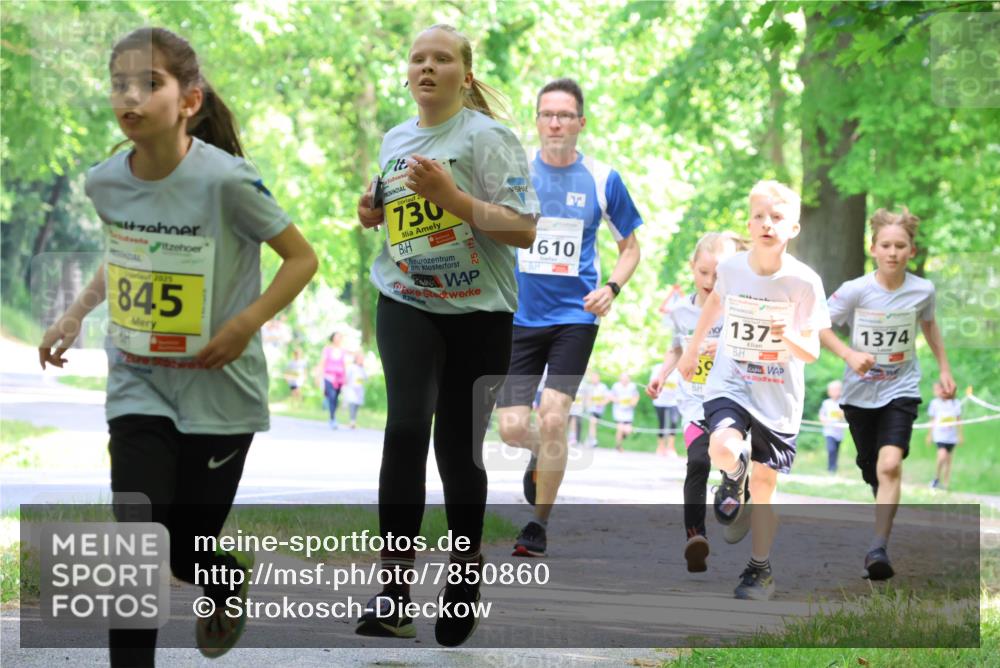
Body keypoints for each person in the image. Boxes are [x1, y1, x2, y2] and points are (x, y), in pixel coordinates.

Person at [37, 27, 317, 666]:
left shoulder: (227, 182)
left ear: (189, 100)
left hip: (220, 396)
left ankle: (225, 579)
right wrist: (74, 315)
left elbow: (302, 259)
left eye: (149, 83)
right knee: (136, 541)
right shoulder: (106, 182)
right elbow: (125, 254)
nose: (129, 97)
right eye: (119, 84)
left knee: (189, 549)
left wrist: (244, 324)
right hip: (138, 383)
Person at [353, 24, 539, 647]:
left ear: (466, 74)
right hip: (405, 297)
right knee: (406, 427)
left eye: (442, 59)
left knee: (457, 449)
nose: (427, 67)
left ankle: (464, 575)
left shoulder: (489, 138)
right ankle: (394, 592)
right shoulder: (395, 138)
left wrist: (452, 198)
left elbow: (522, 230)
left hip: (479, 311)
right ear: (408, 74)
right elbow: (398, 213)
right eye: (418, 59)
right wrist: (373, 211)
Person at [495, 77, 642, 559]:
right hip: (520, 316)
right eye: (547, 114)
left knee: (554, 415)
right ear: (537, 121)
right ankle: (543, 452)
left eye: (564, 115)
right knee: (512, 427)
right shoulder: (516, 174)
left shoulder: (602, 178)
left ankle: (537, 523)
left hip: (574, 318)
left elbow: (630, 248)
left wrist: (611, 288)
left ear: (581, 122)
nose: (555, 122)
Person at [678, 181, 830, 601]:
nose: (767, 224)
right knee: (721, 447)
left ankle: (759, 569)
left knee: (764, 485)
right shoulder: (731, 269)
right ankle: (732, 475)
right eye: (759, 216)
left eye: (777, 217)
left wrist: (788, 337)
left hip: (777, 395)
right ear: (748, 224)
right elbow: (715, 303)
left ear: (793, 228)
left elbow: (813, 351)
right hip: (731, 382)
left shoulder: (804, 282)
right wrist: (692, 349)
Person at [820, 207, 955, 580]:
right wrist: (849, 355)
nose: (893, 252)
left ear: (912, 250)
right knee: (873, 468)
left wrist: (944, 368)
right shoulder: (856, 290)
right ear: (873, 248)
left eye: (900, 246)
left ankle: (877, 548)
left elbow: (930, 326)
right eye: (886, 245)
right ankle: (881, 492)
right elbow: (819, 325)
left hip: (901, 388)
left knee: (890, 464)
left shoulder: (923, 290)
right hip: (859, 394)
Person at [647, 231, 748, 572]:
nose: (709, 281)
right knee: (697, 462)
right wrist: (662, 374)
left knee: (726, 456)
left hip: (730, 400)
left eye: (717, 275)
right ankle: (696, 536)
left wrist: (721, 347)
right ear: (692, 267)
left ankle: (735, 487)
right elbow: (676, 348)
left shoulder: (738, 307)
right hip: (693, 402)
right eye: (703, 272)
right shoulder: (680, 311)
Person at [927, 381, 962, 489]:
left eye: (938, 389)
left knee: (948, 460)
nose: (936, 392)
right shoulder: (934, 403)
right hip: (939, 436)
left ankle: (946, 484)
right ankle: (936, 478)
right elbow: (932, 420)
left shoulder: (956, 403)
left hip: (951, 437)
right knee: (942, 455)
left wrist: (960, 435)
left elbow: (959, 420)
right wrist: (929, 435)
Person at [650, 365, 682, 457]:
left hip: (674, 401)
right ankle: (660, 447)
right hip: (660, 401)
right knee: (662, 424)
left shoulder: (678, 369)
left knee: (674, 422)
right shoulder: (657, 368)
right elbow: (652, 383)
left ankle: (671, 448)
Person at [319, 331, 347, 429]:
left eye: (340, 337)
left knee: (336, 399)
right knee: (332, 396)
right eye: (336, 337)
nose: (338, 339)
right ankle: (332, 418)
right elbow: (323, 363)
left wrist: (345, 377)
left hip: (339, 378)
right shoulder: (327, 349)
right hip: (329, 377)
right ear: (333, 338)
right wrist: (319, 376)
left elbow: (344, 365)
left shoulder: (343, 351)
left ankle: (332, 415)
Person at [818, 380, 846, 473]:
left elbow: (845, 416)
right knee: (831, 449)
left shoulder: (842, 403)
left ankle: (834, 466)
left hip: (839, 432)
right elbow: (821, 415)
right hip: (829, 431)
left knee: (836, 450)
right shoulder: (826, 403)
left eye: (836, 390)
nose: (834, 392)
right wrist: (823, 420)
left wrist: (842, 415)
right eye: (832, 390)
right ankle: (831, 468)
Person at [610, 372, 639, 452]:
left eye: (626, 378)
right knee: (620, 428)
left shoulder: (632, 386)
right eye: (623, 378)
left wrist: (634, 402)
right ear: (620, 379)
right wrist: (616, 400)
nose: (624, 380)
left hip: (628, 412)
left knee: (627, 430)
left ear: (629, 379)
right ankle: (618, 445)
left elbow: (636, 396)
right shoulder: (616, 386)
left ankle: (620, 439)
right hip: (618, 411)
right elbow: (611, 396)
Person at [584, 370, 610, 447]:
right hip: (591, 409)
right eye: (593, 377)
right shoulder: (589, 387)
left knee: (593, 423)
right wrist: (587, 404)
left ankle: (591, 439)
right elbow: (586, 399)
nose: (594, 379)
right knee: (592, 422)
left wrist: (601, 403)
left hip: (599, 410)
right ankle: (592, 439)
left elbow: (608, 398)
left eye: (595, 377)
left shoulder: (603, 387)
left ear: (599, 378)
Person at [343, 350, 368, 429]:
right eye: (360, 359)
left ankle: (353, 421)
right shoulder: (351, 367)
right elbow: (347, 376)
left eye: (362, 359)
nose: (361, 360)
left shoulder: (362, 368)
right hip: (352, 388)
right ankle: (352, 421)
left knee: (357, 404)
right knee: (352, 404)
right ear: (356, 359)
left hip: (359, 389)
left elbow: (365, 378)